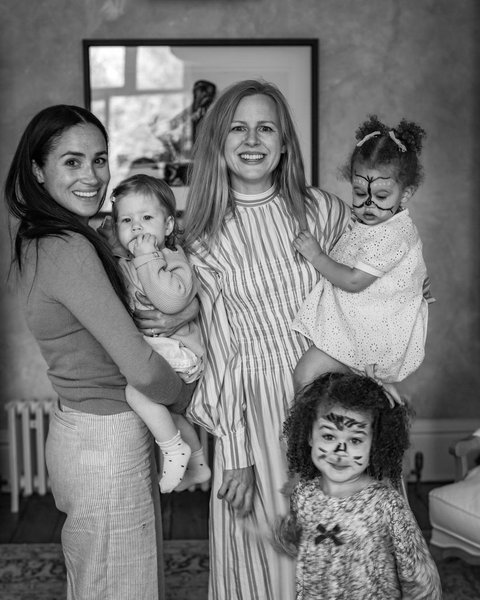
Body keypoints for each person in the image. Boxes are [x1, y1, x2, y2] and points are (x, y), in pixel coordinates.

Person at [133, 79, 352, 600]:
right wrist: (235, 453)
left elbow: (368, 291)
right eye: (238, 128)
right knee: (269, 556)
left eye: (265, 128)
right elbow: (222, 350)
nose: (252, 140)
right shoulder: (200, 236)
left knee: (344, 550)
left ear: (284, 142)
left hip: (333, 394)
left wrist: (405, 288)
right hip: (255, 409)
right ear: (219, 142)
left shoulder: (324, 211)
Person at [4, 104, 194, 600]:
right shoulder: (67, 246)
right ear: (37, 170)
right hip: (105, 442)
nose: (91, 176)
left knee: (100, 583)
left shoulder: (45, 238)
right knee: (120, 586)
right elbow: (141, 369)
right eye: (72, 161)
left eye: (100, 159)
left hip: (86, 429)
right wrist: (194, 402)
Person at [274, 371, 442, 599]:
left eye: (355, 440)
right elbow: (302, 541)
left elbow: (420, 576)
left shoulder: (386, 505)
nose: (340, 451)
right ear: (310, 436)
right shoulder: (303, 494)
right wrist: (283, 535)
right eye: (329, 436)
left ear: (375, 444)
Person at [292, 116, 429, 394]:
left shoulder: (391, 234)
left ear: (405, 194)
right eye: (358, 192)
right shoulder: (374, 224)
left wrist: (317, 256)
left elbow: (354, 281)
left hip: (368, 336)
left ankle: (315, 422)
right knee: (320, 384)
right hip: (358, 328)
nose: (368, 204)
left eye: (381, 196)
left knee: (306, 376)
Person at [110, 173, 210, 493]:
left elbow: (171, 301)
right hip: (163, 352)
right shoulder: (128, 261)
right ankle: (198, 465)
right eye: (127, 220)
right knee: (167, 414)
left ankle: (173, 450)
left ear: (167, 226)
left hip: (181, 353)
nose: (137, 227)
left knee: (136, 393)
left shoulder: (171, 258)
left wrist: (146, 257)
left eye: (147, 218)